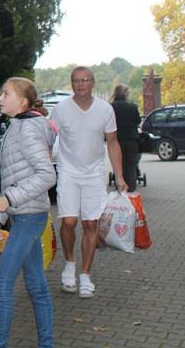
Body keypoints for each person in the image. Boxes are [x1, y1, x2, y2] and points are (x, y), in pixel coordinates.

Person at [0, 77, 57, 348]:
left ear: (23, 102)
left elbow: (47, 175)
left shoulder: (26, 129)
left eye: (6, 94)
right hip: (25, 215)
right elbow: (14, 177)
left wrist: (8, 199)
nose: (0, 98)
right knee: (37, 286)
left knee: (0, 286)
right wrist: (0, 217)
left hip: (30, 217)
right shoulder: (18, 125)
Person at [50, 66, 127, 299]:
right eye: (76, 80)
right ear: (71, 84)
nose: (80, 84)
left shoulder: (105, 110)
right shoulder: (61, 110)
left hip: (94, 173)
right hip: (68, 172)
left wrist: (120, 176)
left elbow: (112, 142)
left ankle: (85, 276)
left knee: (91, 224)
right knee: (69, 221)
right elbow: (47, 138)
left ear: (92, 83)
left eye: (85, 80)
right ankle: (70, 264)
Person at [110, 84, 142, 192]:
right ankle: (131, 189)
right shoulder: (132, 106)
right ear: (125, 93)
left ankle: (120, 189)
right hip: (132, 139)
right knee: (131, 166)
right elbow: (138, 120)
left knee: (118, 165)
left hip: (116, 139)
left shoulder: (111, 106)